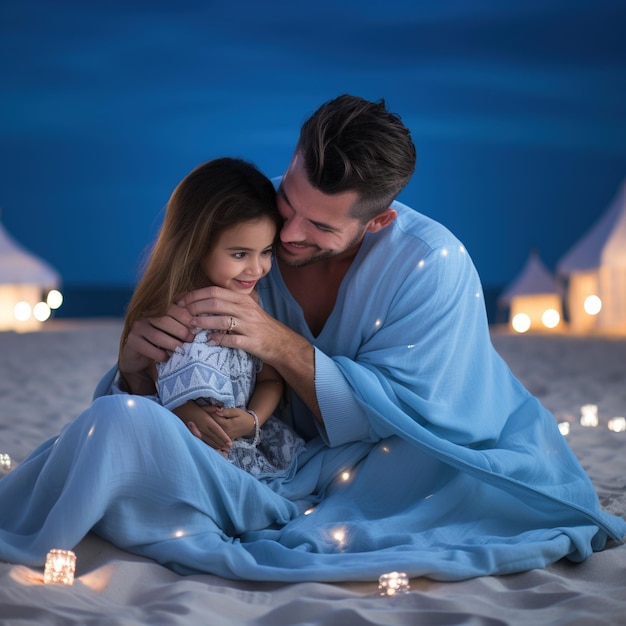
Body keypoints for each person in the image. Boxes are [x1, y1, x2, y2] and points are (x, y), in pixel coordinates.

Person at [1, 95, 624, 583]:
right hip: (263, 451)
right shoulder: (250, 231)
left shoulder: (429, 265)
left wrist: (279, 344)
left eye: (319, 224)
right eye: (288, 201)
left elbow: (420, 417)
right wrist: (137, 369)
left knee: (424, 481)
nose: (289, 234)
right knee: (114, 423)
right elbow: (184, 371)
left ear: (377, 219)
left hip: (389, 456)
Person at [121, 157, 304, 475]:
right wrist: (187, 410)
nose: (257, 268)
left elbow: (271, 378)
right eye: (239, 254)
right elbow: (155, 379)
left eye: (266, 252)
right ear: (196, 246)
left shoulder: (252, 308)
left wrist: (253, 419)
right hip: (182, 442)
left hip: (243, 446)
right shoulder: (172, 313)